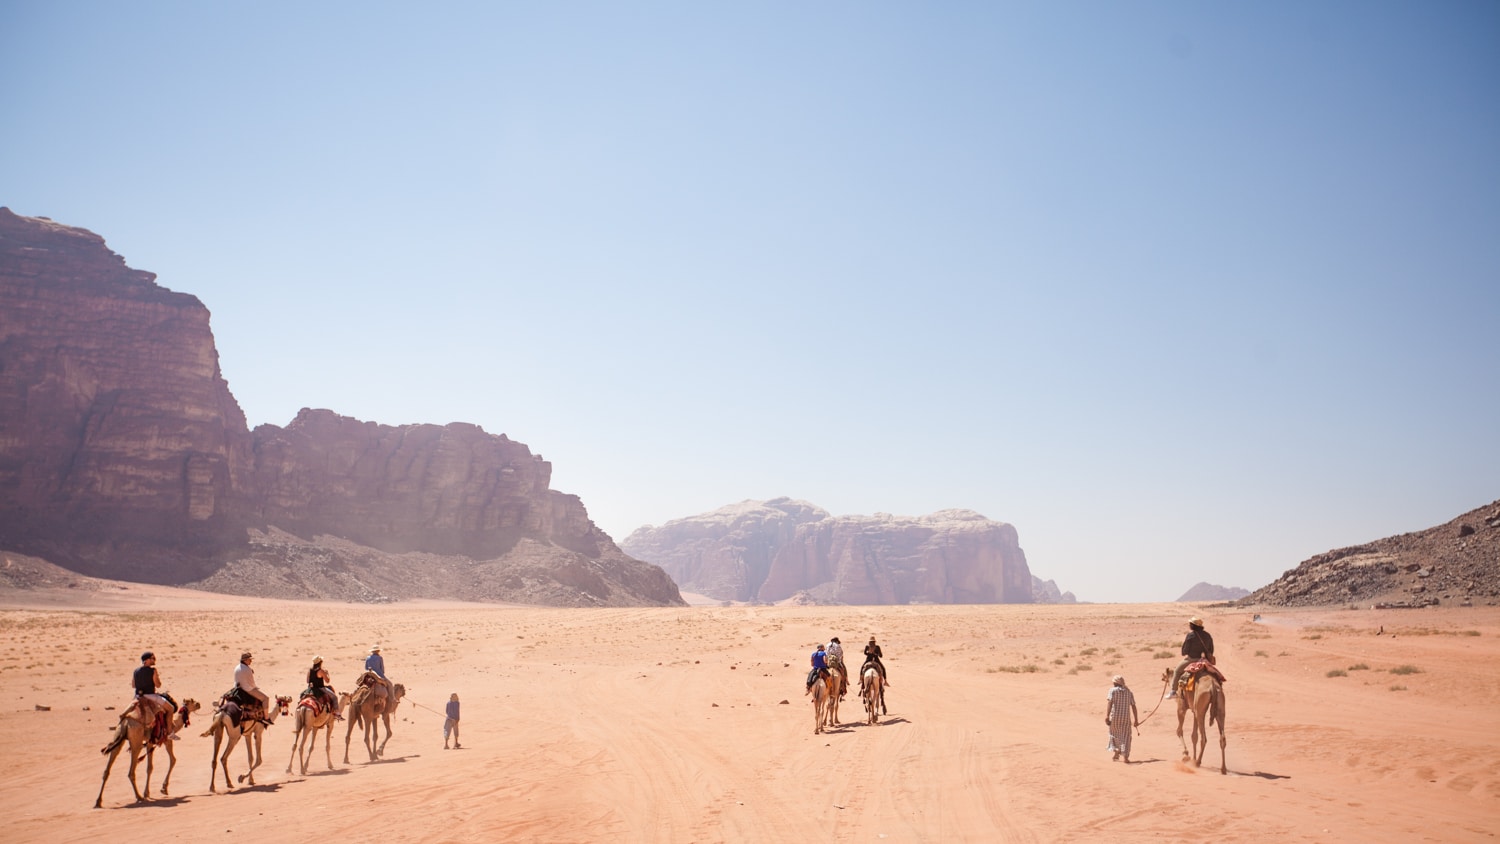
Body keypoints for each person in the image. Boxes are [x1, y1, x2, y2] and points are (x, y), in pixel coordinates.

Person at [1167, 616, 1215, 699]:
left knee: (1177, 671)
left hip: (1192, 659)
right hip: (1204, 660)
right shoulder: (1207, 635)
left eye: (1190, 624)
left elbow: (1184, 651)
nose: (1189, 625)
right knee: (1215, 674)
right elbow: (1211, 650)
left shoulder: (1191, 635)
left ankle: (1173, 691)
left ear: (1193, 625)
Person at [1105, 675, 1139, 762]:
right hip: (1126, 719)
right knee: (1126, 737)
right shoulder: (1129, 692)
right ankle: (1125, 756)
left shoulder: (1112, 691)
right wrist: (1136, 720)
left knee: (1114, 735)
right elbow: (1134, 706)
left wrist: (1107, 716)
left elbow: (1110, 703)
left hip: (1115, 718)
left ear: (1116, 683)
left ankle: (1117, 751)